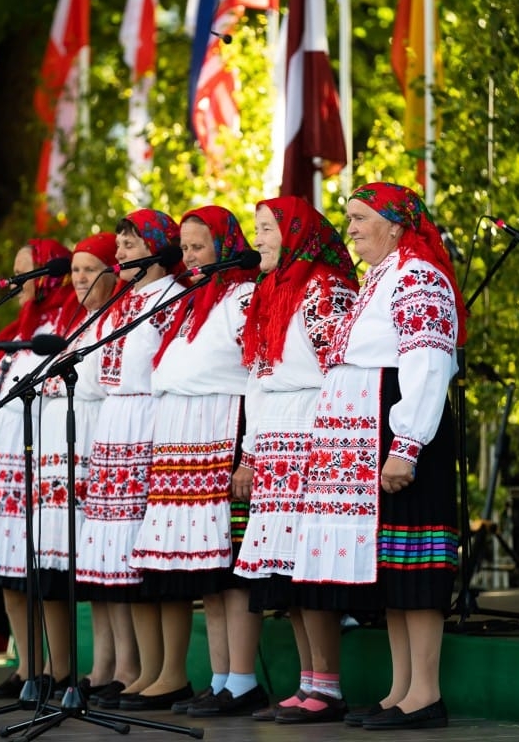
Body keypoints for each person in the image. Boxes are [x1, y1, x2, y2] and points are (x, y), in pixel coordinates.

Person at [292, 182, 467, 731]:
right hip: (375, 436)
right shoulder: (382, 277)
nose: (351, 229)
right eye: (349, 218)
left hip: (403, 436)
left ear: (395, 225)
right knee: (394, 571)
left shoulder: (419, 276)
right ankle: (401, 690)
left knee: (415, 568)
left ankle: (427, 694)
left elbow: (428, 362)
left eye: (360, 218)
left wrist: (406, 446)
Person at [225, 195, 359, 722]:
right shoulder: (269, 291)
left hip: (314, 434)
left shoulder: (326, 290)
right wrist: (251, 456)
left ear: (296, 233)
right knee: (287, 571)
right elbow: (257, 380)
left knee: (312, 568)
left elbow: (342, 373)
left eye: (266, 229)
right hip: (278, 438)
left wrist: (335, 443)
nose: (257, 239)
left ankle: (326, 686)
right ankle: (307, 682)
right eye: (256, 229)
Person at [128, 205, 258, 713]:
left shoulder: (243, 296)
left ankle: (243, 680)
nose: (189, 256)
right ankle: (222, 678)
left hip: (224, 430)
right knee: (208, 573)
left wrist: (248, 454)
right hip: (184, 436)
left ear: (225, 247)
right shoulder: (193, 301)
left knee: (228, 568)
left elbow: (255, 368)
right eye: (184, 248)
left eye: (199, 246)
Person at [76, 209, 184, 711]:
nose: (119, 254)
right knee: (120, 557)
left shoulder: (172, 299)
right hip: (114, 426)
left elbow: (168, 368)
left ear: (158, 249)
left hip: (149, 425)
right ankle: (134, 669)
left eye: (130, 245)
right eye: (119, 246)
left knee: (143, 553)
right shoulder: (123, 303)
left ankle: (158, 669)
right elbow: (97, 376)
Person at [0, 238, 73, 701]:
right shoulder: (18, 326)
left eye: (25, 274)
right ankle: (26, 667)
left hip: (33, 458)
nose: (16, 283)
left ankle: (58, 669)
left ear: (49, 273)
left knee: (38, 572)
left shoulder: (65, 321)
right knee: (8, 573)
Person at [31, 231, 124, 700]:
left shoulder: (115, 319)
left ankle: (109, 665)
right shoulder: (79, 322)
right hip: (59, 456)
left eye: (91, 267)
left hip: (91, 444)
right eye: (77, 269)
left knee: (100, 565)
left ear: (113, 270)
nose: (81, 277)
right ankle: (79, 666)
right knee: (71, 570)